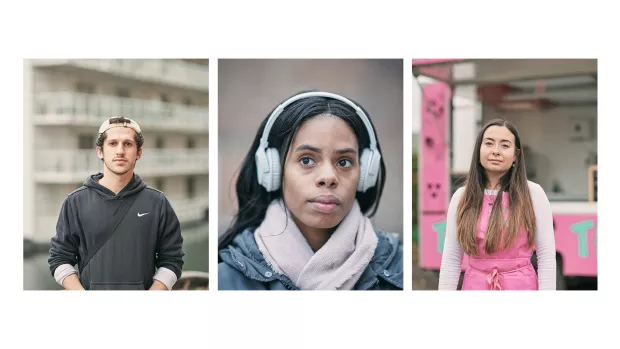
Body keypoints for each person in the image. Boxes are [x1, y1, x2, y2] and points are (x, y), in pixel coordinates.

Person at [218, 90, 403, 290]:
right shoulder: (225, 281)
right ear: (272, 170)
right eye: (307, 160)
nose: (328, 177)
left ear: (367, 173)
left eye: (344, 162)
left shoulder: (400, 271)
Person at [48, 116, 184, 290]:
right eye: (113, 143)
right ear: (100, 151)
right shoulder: (75, 202)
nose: (120, 151)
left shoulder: (158, 203)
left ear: (139, 153)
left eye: (127, 144)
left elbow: (172, 260)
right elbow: (59, 258)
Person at [438, 118, 556, 290]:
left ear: (516, 155)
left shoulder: (534, 194)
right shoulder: (461, 197)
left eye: (505, 145)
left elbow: (546, 257)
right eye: (489, 143)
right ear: (478, 150)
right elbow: (451, 258)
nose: (496, 151)